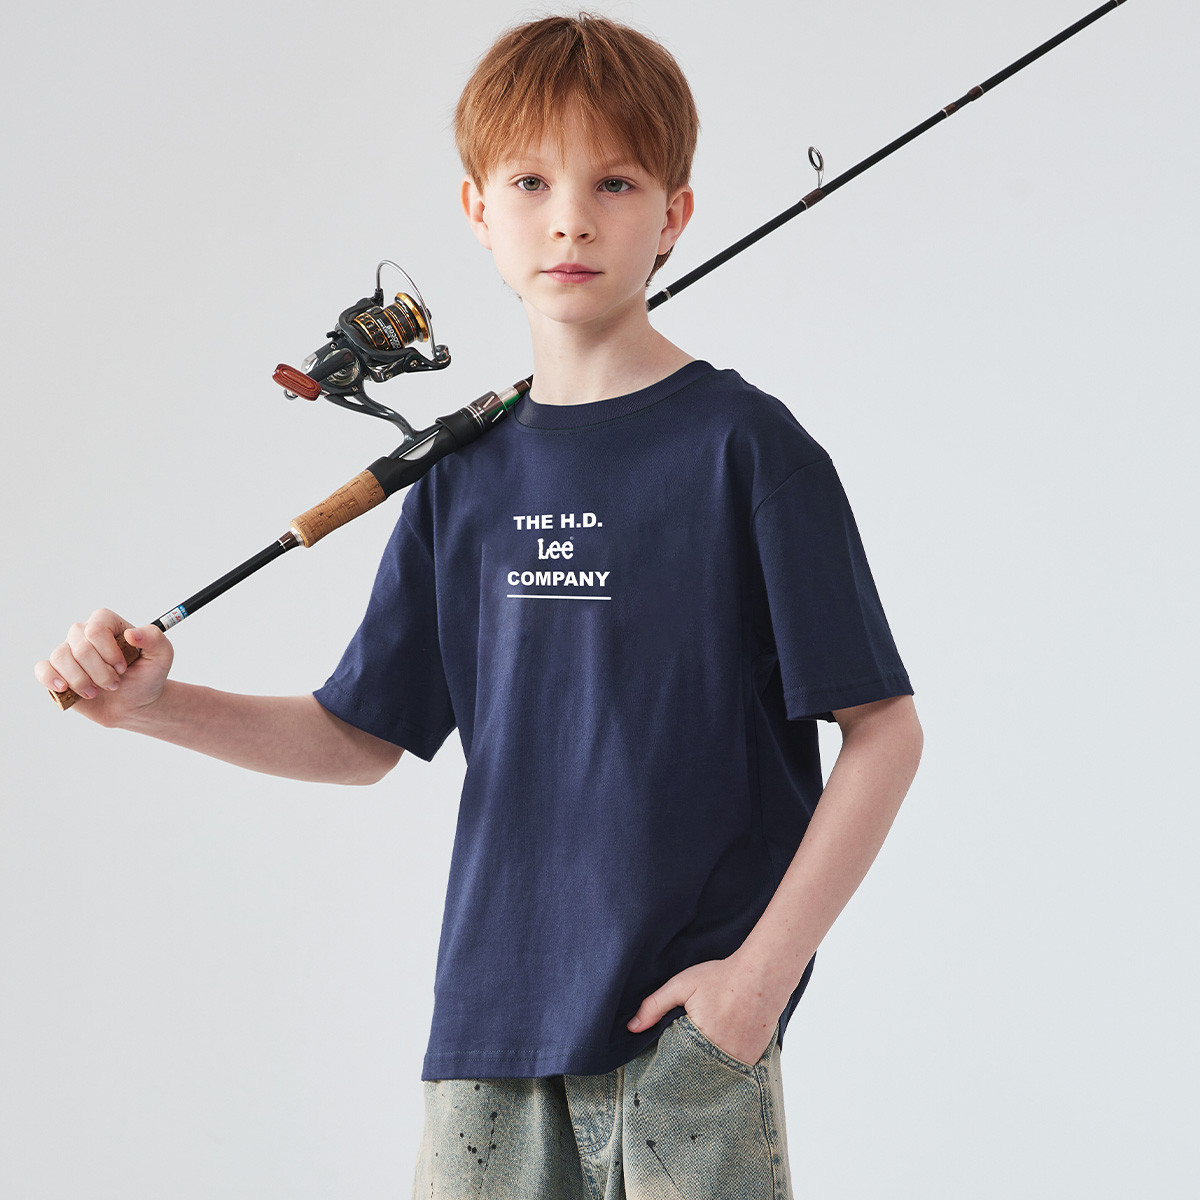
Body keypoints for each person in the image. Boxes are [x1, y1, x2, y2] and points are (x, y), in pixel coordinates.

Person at [35, 13, 922, 1199]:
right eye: (531, 182)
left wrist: (754, 986)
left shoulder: (747, 450)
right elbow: (358, 737)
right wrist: (152, 705)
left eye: (615, 182)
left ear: (674, 215)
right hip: (486, 1037)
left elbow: (885, 730)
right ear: (477, 210)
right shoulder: (463, 475)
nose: (571, 219)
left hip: (687, 1038)